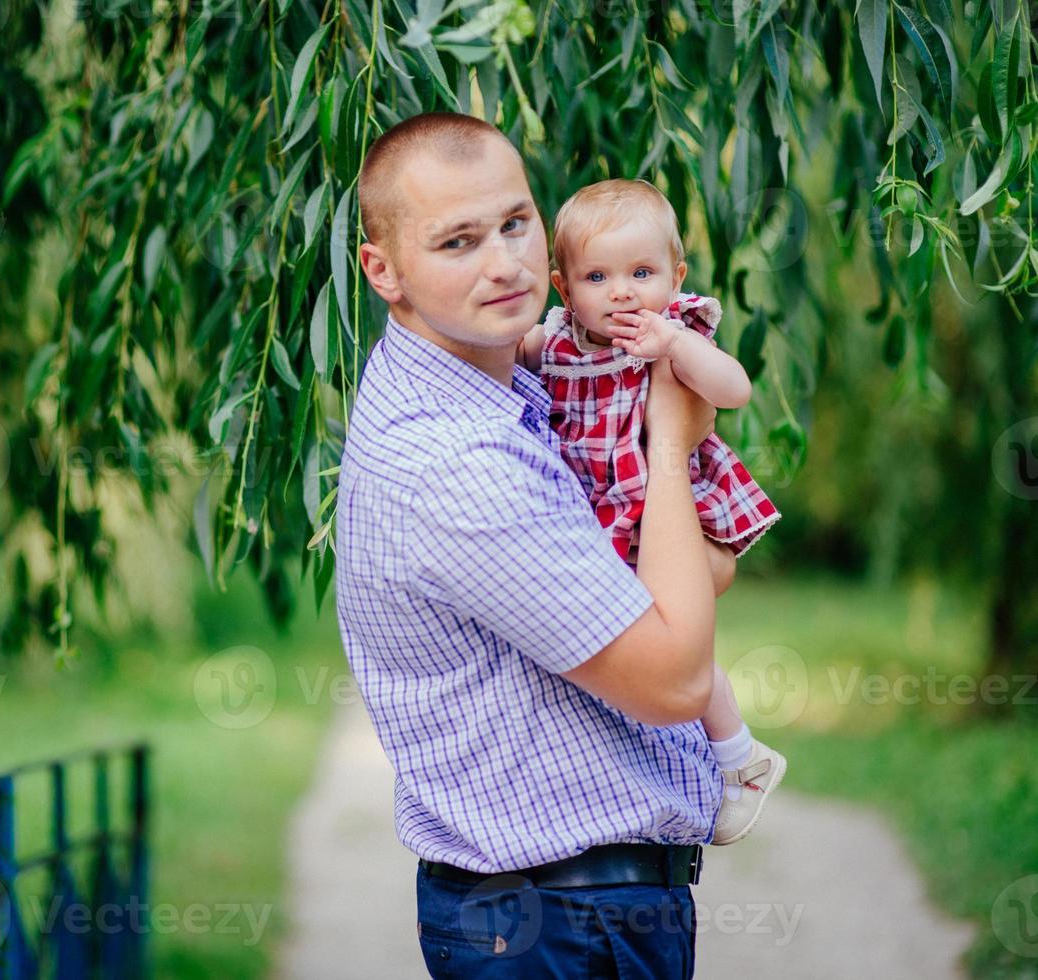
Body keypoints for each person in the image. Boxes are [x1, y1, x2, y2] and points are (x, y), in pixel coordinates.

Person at [336, 111, 719, 978]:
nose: (503, 263)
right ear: (382, 270)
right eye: (457, 242)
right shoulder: (457, 461)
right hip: (562, 926)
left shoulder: (502, 386)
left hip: (561, 914)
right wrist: (668, 439)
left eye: (514, 223)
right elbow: (674, 678)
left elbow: (687, 576)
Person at [515, 178, 787, 846]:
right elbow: (504, 360)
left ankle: (736, 755)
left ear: (676, 274)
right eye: (597, 276)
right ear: (562, 286)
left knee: (667, 640)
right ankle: (735, 756)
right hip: (598, 520)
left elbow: (734, 390)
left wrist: (673, 348)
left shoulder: (676, 331)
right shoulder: (552, 344)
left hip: (656, 511)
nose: (622, 292)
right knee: (650, 646)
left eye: (642, 272)